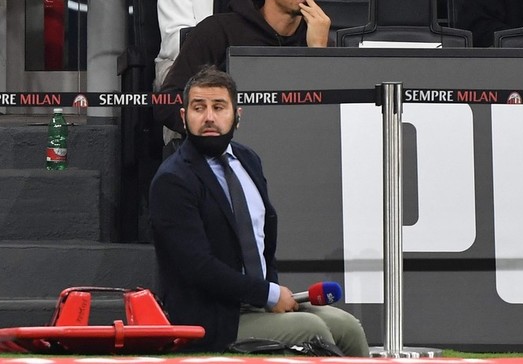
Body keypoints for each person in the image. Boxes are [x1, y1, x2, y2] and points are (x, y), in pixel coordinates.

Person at [149, 66, 369, 355]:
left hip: (259, 303)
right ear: (183, 117)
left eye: (219, 107)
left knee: (348, 327)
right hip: (210, 318)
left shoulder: (248, 160)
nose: (209, 117)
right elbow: (197, 268)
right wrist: (268, 294)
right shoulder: (173, 179)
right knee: (312, 330)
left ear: (237, 115)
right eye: (198, 108)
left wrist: (269, 292)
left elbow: (264, 240)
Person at [155, 0, 331, 135]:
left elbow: (332, 116)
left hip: (295, 142)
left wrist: (318, 53)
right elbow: (168, 103)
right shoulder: (216, 32)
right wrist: (217, 133)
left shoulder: (318, 37)